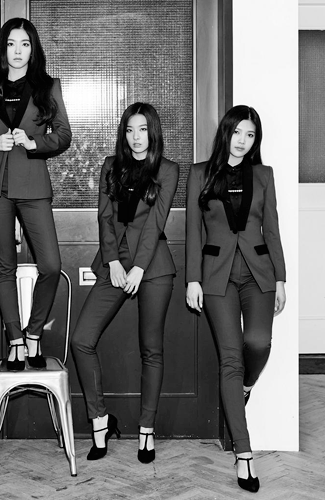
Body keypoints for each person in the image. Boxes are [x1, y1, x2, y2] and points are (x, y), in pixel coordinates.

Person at [185, 105, 286, 493]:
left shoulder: (264, 175)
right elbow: (194, 231)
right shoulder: (200, 173)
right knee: (230, 357)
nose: (243, 140)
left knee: (258, 342)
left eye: (250, 134)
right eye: (238, 132)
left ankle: (244, 386)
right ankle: (244, 455)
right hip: (217, 277)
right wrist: (193, 279)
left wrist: (281, 278)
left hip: (258, 273)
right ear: (226, 133)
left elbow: (272, 229)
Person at [71, 103, 179, 463]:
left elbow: (156, 223)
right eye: (130, 130)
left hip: (153, 266)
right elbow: (104, 217)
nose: (136, 137)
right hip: (114, 264)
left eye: (143, 129)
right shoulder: (110, 166)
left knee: (152, 350)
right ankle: (100, 421)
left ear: (153, 132)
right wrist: (114, 261)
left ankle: (147, 431)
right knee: (81, 339)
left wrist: (139, 268)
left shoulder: (168, 170)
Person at [0, 18, 71, 371]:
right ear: (3, 49)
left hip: (34, 186)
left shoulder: (48, 87)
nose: (18, 51)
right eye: (11, 44)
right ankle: (15, 341)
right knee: (4, 268)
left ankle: (34, 333)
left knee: (51, 265)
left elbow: (64, 135)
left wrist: (34, 142)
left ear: (33, 49)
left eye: (25, 44)